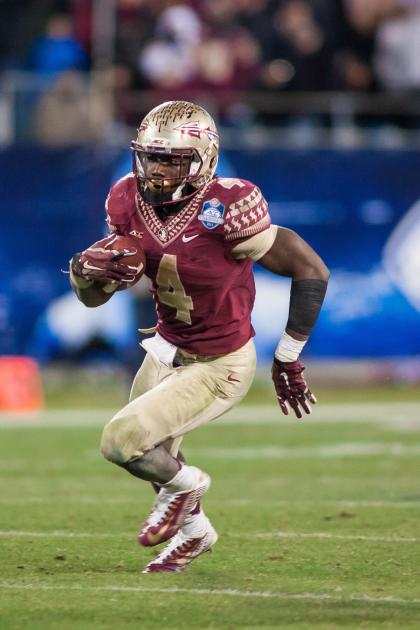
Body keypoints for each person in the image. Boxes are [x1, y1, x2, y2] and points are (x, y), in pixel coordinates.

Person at [69, 100, 329, 573]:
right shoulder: (125, 199)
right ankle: (195, 532)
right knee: (152, 451)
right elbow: (93, 300)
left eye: (172, 159)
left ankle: (189, 487)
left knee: (120, 441)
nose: (157, 170)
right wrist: (87, 275)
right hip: (166, 350)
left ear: (204, 158)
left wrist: (288, 357)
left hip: (219, 363)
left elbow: (309, 268)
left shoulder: (227, 207)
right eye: (150, 156)